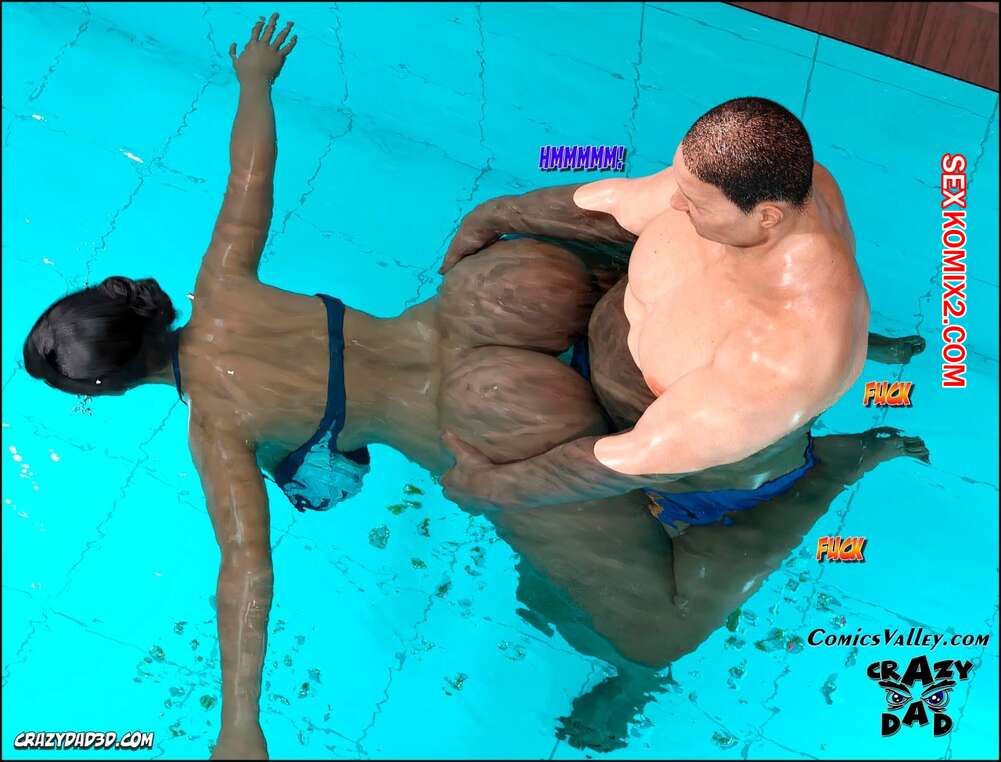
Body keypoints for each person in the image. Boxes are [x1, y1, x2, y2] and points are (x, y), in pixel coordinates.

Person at [20, 15, 929, 758]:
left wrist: (239, 727)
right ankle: (854, 344)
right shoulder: (221, 282)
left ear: (107, 391)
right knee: (643, 252)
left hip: (487, 420)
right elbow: (249, 174)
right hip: (487, 301)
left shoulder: (214, 426)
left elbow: (244, 573)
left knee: (658, 630)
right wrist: (255, 82)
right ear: (129, 305)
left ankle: (837, 463)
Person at [436, 96, 906, 535]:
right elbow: (622, 201)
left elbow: (638, 458)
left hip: (690, 479)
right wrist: (494, 215)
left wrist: (488, 487)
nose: (675, 203)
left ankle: (844, 462)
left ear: (767, 217)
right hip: (634, 372)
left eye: (694, 201)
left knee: (618, 570)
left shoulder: (781, 357)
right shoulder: (774, 181)